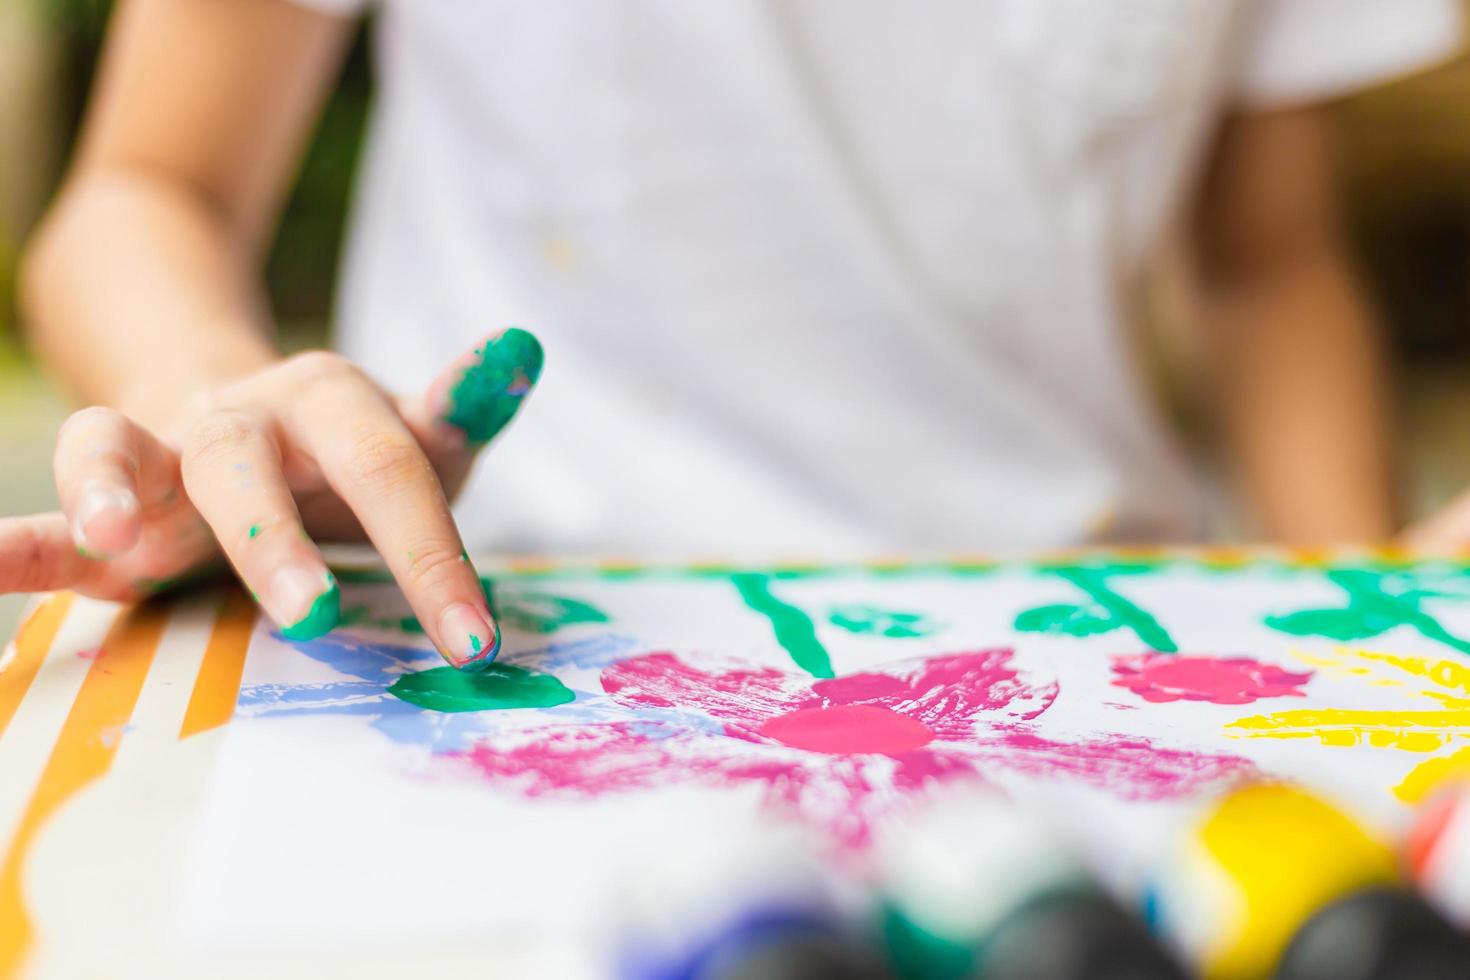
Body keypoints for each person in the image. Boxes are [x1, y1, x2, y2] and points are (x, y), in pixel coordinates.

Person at [0, 0, 1462, 667]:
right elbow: (147, 188)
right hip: (498, 636)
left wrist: (1382, 632)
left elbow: (1263, 262)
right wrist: (209, 398)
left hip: (1085, 643)